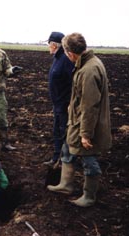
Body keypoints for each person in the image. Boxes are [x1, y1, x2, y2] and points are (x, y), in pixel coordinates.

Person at [47, 33, 112, 207]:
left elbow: (90, 106)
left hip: (86, 124)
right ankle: (66, 185)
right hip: (76, 120)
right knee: (67, 148)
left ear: (69, 52)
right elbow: (80, 97)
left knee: (88, 158)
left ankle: (89, 196)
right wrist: (72, 106)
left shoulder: (89, 70)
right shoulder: (84, 63)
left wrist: (85, 134)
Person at [44, 32, 74, 167]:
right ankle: (56, 158)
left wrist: (70, 103)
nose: (48, 46)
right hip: (57, 104)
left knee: (64, 133)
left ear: (54, 45)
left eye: (49, 44)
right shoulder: (57, 58)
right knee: (57, 131)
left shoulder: (66, 60)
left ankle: (65, 161)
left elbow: (73, 83)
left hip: (64, 104)